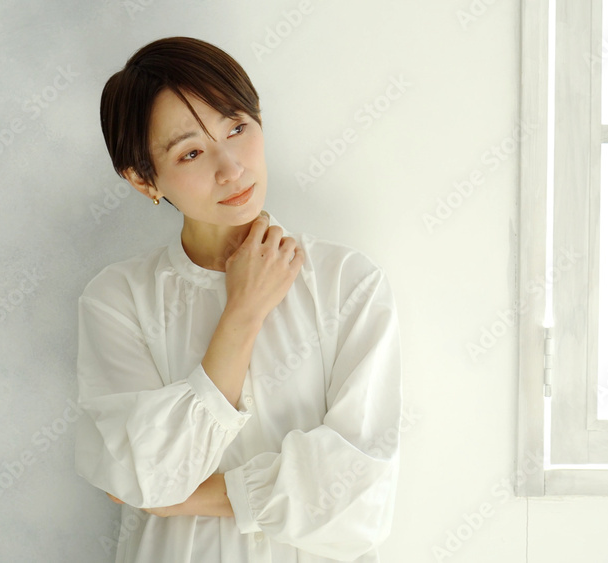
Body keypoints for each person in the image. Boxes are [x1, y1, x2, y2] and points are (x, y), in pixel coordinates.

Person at [74, 36, 402, 562]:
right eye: (191, 153)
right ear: (142, 180)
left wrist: (183, 499)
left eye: (237, 128)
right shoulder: (118, 300)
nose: (231, 168)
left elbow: (361, 498)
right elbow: (145, 474)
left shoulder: (346, 282)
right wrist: (243, 314)